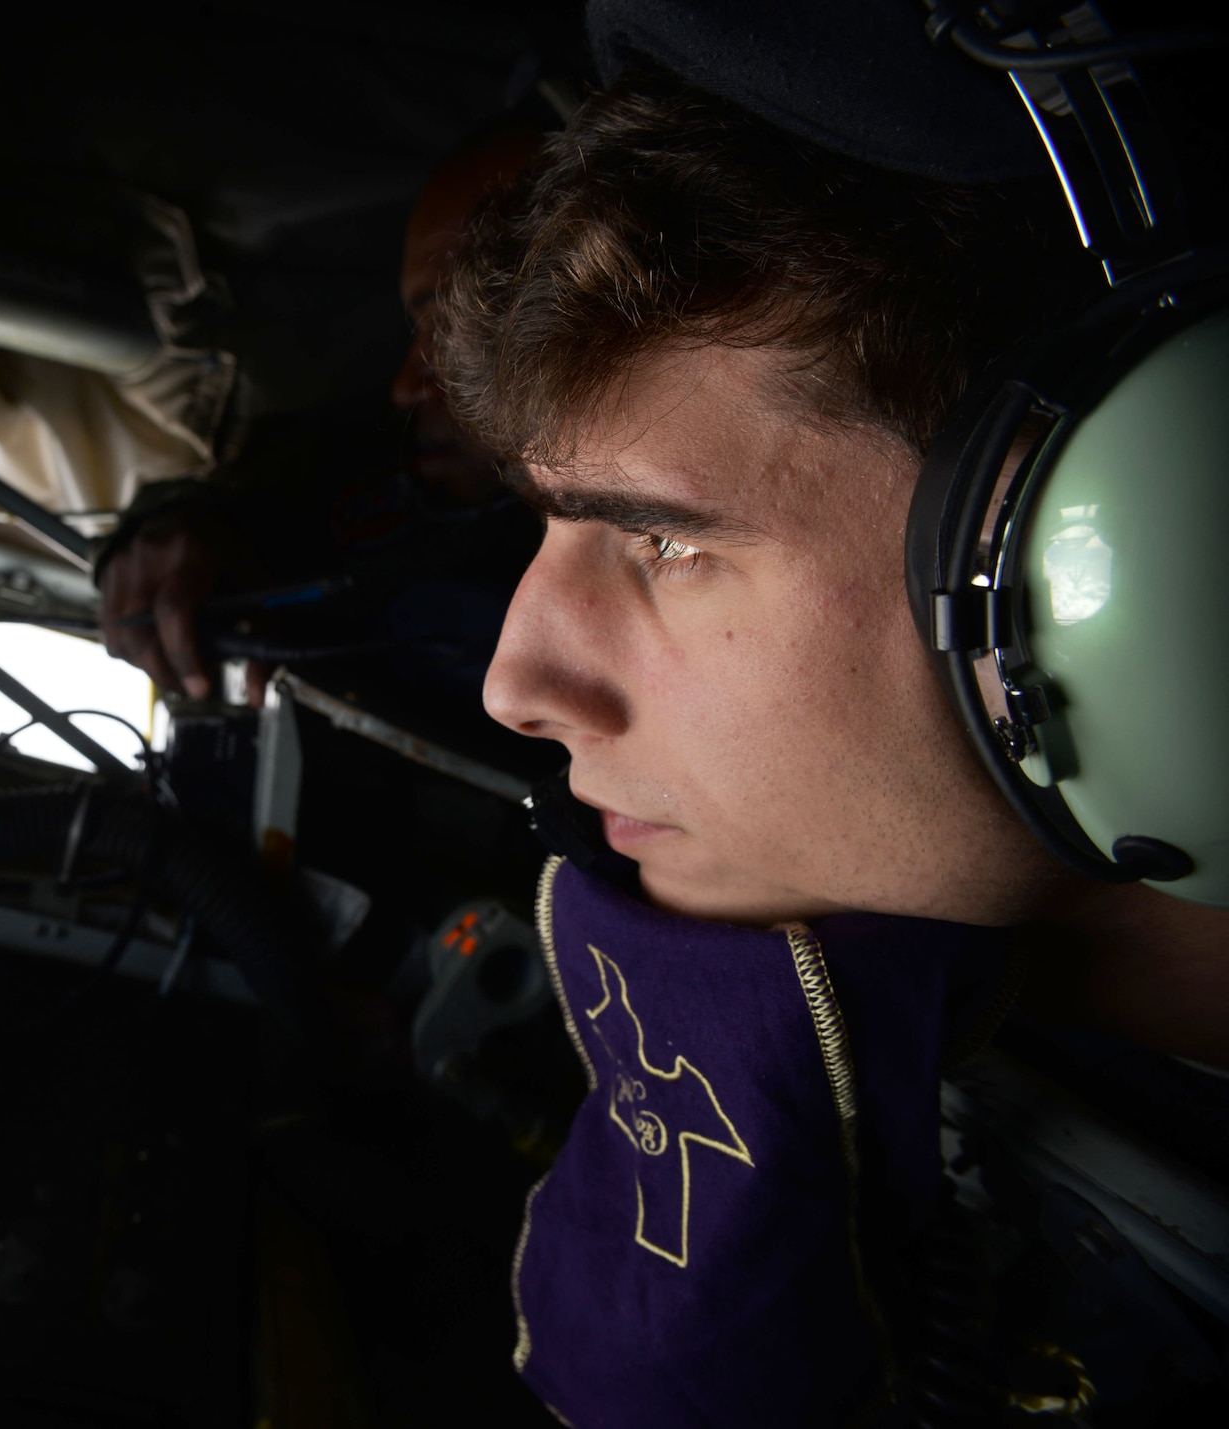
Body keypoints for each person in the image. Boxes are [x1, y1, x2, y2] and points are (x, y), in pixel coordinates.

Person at [432, 9, 1229, 1426]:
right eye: (550, 532)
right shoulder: (913, 1025)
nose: (517, 679)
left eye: (662, 543)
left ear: (1132, 551)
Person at [95, 124, 542, 706]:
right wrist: (160, 533)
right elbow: (214, 508)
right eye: (422, 328)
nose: (409, 385)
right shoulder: (364, 453)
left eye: (462, 327)